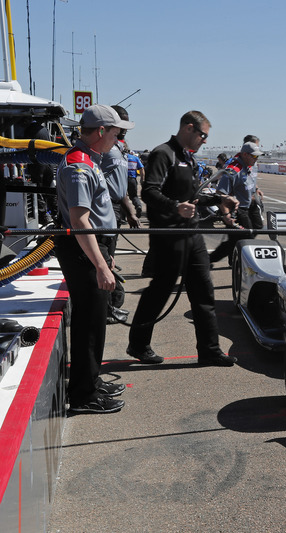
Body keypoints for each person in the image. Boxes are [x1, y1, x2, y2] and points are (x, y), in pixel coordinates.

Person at [127, 110, 239, 367]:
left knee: (204, 292)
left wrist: (219, 200)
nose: (205, 141)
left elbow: (193, 196)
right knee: (159, 291)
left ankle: (210, 350)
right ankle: (139, 344)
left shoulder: (187, 158)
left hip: (192, 235)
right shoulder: (163, 153)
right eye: (203, 135)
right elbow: (149, 193)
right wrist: (175, 206)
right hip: (169, 237)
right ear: (189, 128)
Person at [54, 105, 134, 413]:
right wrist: (100, 264)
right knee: (89, 324)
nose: (118, 139)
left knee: (96, 322)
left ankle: (91, 381)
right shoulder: (79, 166)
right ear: (101, 132)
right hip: (84, 250)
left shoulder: (89, 160)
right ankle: (84, 396)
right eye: (115, 133)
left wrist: (105, 256)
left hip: (92, 248)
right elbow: (80, 221)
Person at [100, 105, 140, 325]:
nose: (124, 128)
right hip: (106, 208)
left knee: (110, 259)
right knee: (106, 260)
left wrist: (130, 212)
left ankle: (109, 306)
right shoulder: (104, 149)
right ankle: (106, 310)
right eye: (120, 123)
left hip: (117, 209)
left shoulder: (120, 147)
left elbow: (121, 186)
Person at [208, 141, 263, 263]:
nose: (256, 159)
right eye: (254, 156)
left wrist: (256, 190)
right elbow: (220, 194)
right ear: (244, 154)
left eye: (257, 156)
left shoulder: (251, 166)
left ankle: (232, 259)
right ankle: (209, 260)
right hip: (236, 210)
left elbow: (251, 181)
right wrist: (226, 214)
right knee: (244, 236)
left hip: (249, 205)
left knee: (256, 227)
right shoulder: (233, 170)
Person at [126, 150, 145, 218]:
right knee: (134, 196)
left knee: (122, 197)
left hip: (123, 179)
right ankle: (138, 206)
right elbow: (141, 168)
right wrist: (142, 179)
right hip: (132, 179)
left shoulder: (123, 157)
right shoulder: (135, 158)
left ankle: (122, 217)